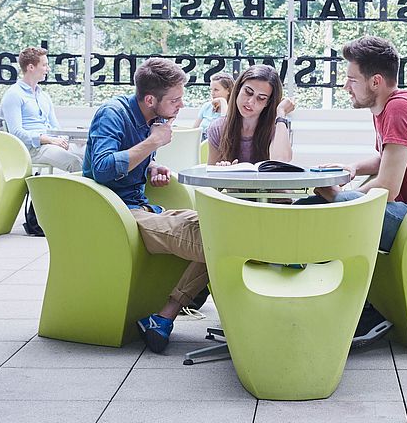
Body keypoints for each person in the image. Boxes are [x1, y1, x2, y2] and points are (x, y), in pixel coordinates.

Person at [297, 36, 407, 345]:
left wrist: (336, 195)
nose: (345, 87)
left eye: (351, 80)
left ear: (375, 81)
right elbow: (390, 158)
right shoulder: (394, 105)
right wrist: (352, 168)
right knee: (304, 208)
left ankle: (366, 311)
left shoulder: (399, 110)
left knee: (339, 207)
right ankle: (310, 302)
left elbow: (387, 187)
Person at [83, 57, 208, 354]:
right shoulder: (112, 113)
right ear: (150, 99)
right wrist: (152, 143)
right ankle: (169, 313)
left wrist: (151, 166)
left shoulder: (151, 119)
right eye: (175, 100)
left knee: (220, 226)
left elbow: (128, 158)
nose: (181, 106)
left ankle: (164, 316)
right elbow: (102, 168)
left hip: (143, 207)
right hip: (116, 213)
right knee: (219, 241)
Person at [1, 47, 82, 172]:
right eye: (44, 65)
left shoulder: (44, 96)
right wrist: (49, 140)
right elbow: (16, 133)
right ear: (31, 67)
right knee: (75, 162)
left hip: (50, 144)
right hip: (32, 149)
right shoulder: (13, 95)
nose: (48, 69)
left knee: (88, 155)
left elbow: (56, 128)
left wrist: (64, 139)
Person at [206, 65, 295, 165]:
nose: (251, 102)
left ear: (268, 102)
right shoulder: (218, 128)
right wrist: (224, 170)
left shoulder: (276, 129)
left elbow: (281, 161)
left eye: (261, 98)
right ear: (238, 89)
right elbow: (210, 171)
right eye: (248, 92)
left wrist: (281, 113)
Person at [192, 73, 234, 139]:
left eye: (216, 90)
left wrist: (223, 102)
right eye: (211, 89)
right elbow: (194, 130)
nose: (212, 93)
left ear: (228, 90)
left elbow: (225, 131)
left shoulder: (234, 110)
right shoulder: (206, 106)